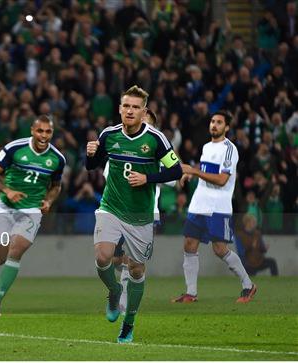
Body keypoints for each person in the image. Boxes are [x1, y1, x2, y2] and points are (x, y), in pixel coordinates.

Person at [86, 86, 182, 343]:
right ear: (119, 108)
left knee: (137, 270)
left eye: (135, 107)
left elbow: (176, 172)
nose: (130, 111)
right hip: (111, 207)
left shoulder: (156, 139)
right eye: (126, 106)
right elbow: (93, 167)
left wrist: (148, 178)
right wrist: (90, 156)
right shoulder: (108, 134)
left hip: (140, 215)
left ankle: (128, 323)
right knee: (102, 255)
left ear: (143, 111)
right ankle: (115, 289)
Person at [172, 110, 257, 304]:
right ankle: (191, 293)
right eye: (212, 121)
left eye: (219, 122)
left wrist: (193, 170)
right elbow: (206, 171)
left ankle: (248, 285)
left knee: (220, 249)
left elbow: (221, 179)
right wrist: (192, 174)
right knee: (189, 244)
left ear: (227, 127)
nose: (214, 125)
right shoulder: (206, 147)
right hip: (199, 203)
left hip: (218, 205)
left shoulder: (230, 149)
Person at [0, 115, 65, 317]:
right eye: (40, 131)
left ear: (52, 133)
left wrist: (48, 201)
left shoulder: (57, 159)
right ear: (32, 130)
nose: (43, 135)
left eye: (48, 132)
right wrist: (7, 190)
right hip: (6, 208)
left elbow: (56, 186)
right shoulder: (14, 148)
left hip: (31, 212)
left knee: (16, 250)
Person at [111, 108, 176, 313]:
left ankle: (123, 301)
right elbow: (108, 176)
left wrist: (149, 177)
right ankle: (120, 292)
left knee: (133, 261)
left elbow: (173, 179)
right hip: (118, 209)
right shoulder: (122, 147)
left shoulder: (158, 151)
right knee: (115, 259)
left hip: (146, 212)